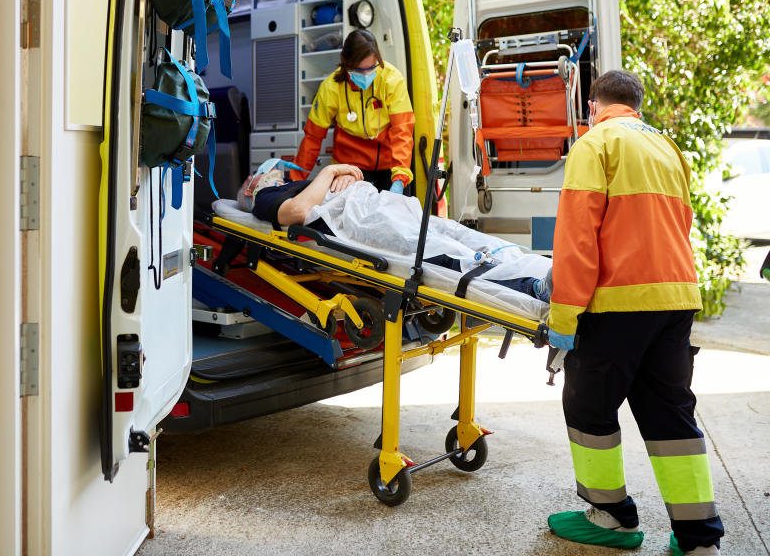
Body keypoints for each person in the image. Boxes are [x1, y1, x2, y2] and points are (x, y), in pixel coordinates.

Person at [545, 70, 724, 555]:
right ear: (637, 105)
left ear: (593, 104)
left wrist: (563, 319)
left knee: (588, 409)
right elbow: (680, 225)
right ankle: (699, 539)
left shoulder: (595, 143)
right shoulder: (667, 146)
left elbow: (577, 240)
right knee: (671, 415)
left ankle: (612, 519)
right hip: (675, 299)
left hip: (618, 303)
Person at [236, 159, 551, 302]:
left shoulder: (298, 185)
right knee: (444, 253)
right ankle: (534, 286)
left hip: (375, 204)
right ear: (252, 185)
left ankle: (547, 267)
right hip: (357, 220)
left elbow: (319, 195)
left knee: (465, 237)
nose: (276, 172)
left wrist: (347, 179)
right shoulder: (264, 197)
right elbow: (300, 212)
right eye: (270, 172)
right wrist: (333, 171)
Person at [289, 30, 415, 194]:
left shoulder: (392, 79)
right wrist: (294, 181)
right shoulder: (331, 88)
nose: (366, 75)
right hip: (350, 167)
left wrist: (400, 179)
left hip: (390, 164)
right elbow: (313, 138)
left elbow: (402, 131)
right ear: (346, 63)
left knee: (396, 212)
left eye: (371, 68)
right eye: (359, 70)